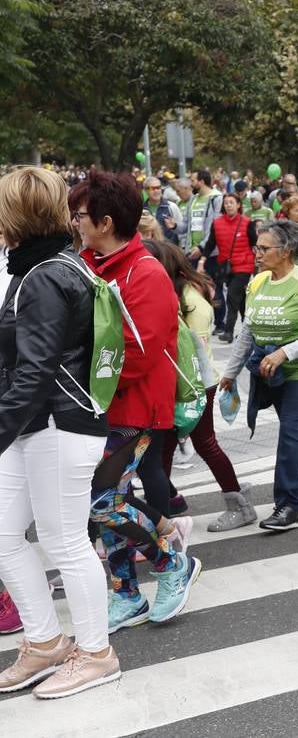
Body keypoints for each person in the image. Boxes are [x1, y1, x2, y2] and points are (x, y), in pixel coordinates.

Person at [0, 167, 120, 698]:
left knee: (64, 541)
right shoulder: (44, 267)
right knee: (5, 537)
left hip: (55, 423)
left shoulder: (45, 274)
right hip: (38, 423)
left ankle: (96, 653)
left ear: (16, 214)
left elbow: (36, 371)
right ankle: (46, 642)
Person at [70, 172, 199, 631]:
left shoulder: (143, 272)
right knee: (108, 498)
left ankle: (170, 563)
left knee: (101, 500)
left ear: (106, 221)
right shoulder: (88, 263)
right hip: (98, 406)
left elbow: (138, 354)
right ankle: (126, 593)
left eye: (82, 215)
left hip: (135, 407)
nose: (76, 222)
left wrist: (80, 379)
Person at [219, 220, 298, 532]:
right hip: (271, 371)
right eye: (257, 247)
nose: (257, 253)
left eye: (264, 248)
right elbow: (247, 332)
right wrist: (229, 373)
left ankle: (287, 505)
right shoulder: (258, 283)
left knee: (291, 428)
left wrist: (285, 352)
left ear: (286, 252)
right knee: (294, 427)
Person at [142, 239, 256, 532]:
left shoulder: (186, 297)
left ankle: (238, 506)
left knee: (202, 444)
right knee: (167, 447)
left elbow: (184, 345)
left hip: (191, 381)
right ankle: (164, 515)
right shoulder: (186, 289)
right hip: (190, 379)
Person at [192, 193, 256, 342]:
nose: (228, 205)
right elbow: (210, 245)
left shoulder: (247, 223)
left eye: (231, 202)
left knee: (232, 296)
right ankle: (250, 330)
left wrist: (259, 263)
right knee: (240, 301)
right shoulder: (217, 223)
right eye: (226, 203)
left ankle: (228, 331)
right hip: (226, 267)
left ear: (238, 205)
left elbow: (255, 244)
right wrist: (202, 261)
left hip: (244, 266)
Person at [185, 169, 225, 329]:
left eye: (193, 180)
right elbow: (187, 225)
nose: (191, 183)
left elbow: (214, 227)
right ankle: (202, 319)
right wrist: (174, 226)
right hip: (192, 251)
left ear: (201, 181)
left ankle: (220, 322)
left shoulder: (217, 198)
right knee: (196, 287)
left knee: (214, 287)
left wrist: (202, 248)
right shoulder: (193, 199)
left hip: (210, 252)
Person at [143, 177, 181, 242]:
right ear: (146, 190)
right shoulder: (141, 209)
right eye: (153, 188)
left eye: (158, 188)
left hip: (169, 249)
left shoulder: (171, 206)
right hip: (149, 249)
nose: (156, 191)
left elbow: (180, 228)